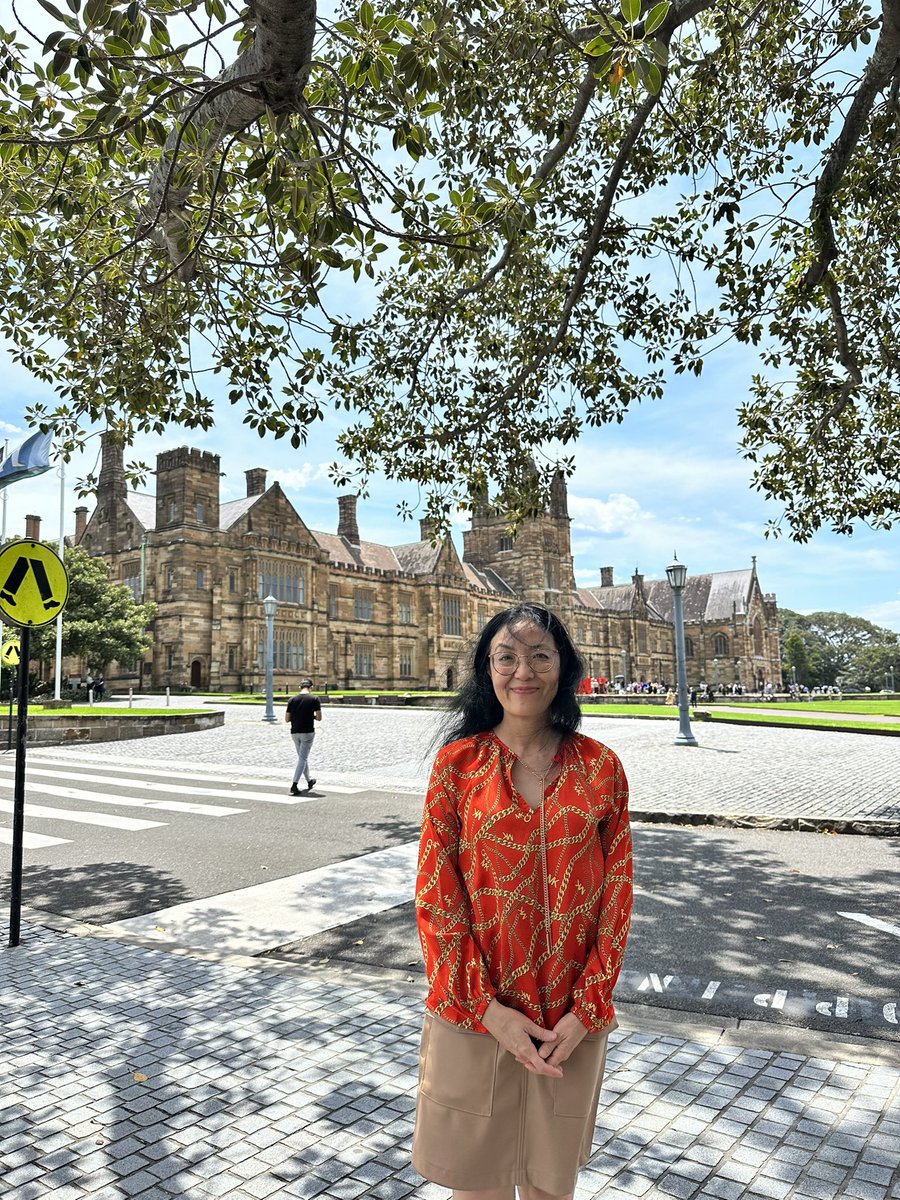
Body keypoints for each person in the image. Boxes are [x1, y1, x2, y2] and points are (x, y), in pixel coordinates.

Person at [413, 603, 633, 1200]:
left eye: (540, 655)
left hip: (568, 1018)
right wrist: (488, 1010)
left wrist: (587, 1007)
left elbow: (617, 899)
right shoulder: (457, 766)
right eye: (505, 657)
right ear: (487, 670)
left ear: (564, 667)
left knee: (548, 1187)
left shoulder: (601, 768)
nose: (523, 671)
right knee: (477, 1187)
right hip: (474, 1013)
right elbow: (437, 898)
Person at [284, 679, 321, 794]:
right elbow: (319, 717)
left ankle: (309, 780)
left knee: (302, 757)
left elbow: (286, 719)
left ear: (300, 687)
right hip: (307, 732)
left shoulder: (292, 699)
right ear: (311, 687)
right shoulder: (314, 699)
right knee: (303, 758)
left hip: (294, 732)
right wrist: (311, 716)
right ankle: (294, 784)